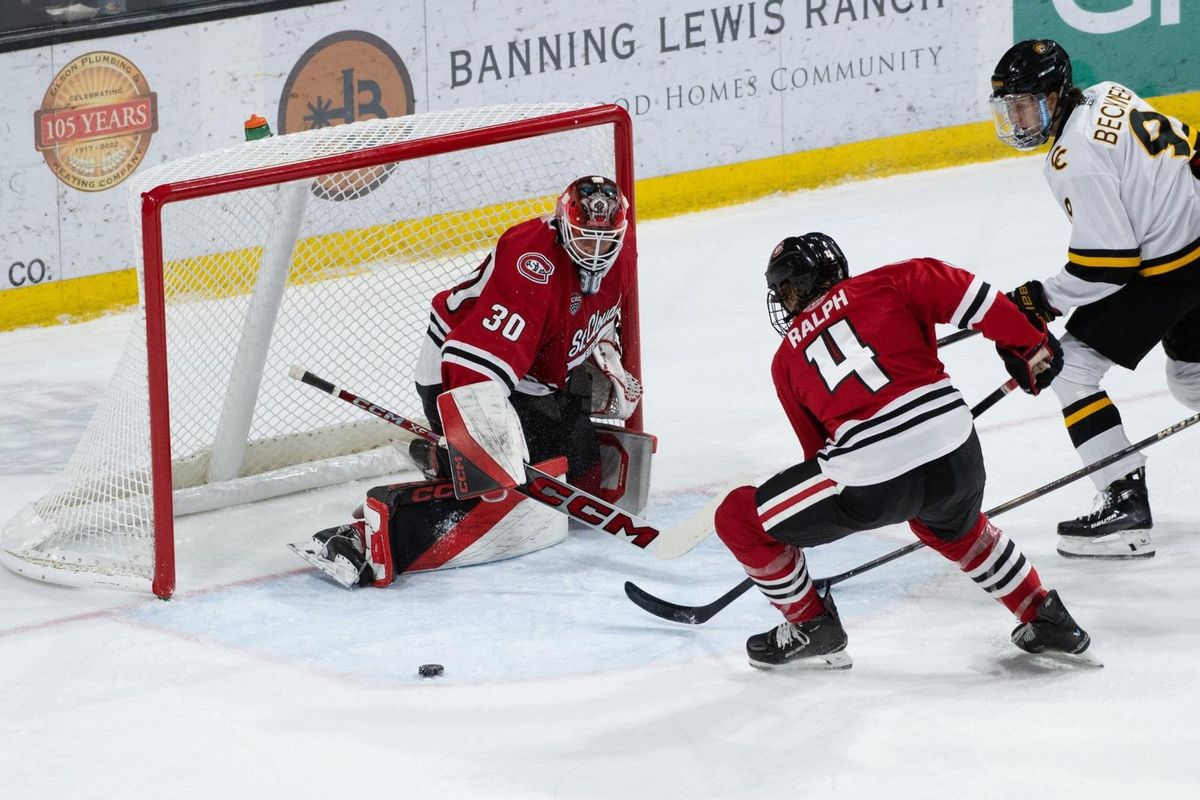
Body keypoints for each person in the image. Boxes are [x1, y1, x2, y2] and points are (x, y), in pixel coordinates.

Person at [712, 232, 1092, 670]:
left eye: (785, 289)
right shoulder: (894, 279)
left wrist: (791, 561)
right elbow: (976, 297)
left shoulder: (785, 360)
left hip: (872, 482)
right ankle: (1042, 612)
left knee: (738, 518)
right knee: (952, 524)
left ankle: (812, 624)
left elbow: (818, 454)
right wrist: (1029, 343)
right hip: (959, 455)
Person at [290, 176, 646, 588]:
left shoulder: (624, 249)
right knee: (497, 489)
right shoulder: (531, 263)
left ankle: (448, 462)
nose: (597, 253)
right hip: (457, 369)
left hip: (533, 378)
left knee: (579, 476)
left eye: (607, 241)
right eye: (585, 240)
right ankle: (365, 534)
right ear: (562, 227)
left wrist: (602, 353)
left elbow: (591, 307)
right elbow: (468, 361)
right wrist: (481, 440)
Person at [989, 39, 1200, 560]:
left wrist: (1039, 300)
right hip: (1193, 243)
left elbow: (1108, 265)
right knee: (1191, 377)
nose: (1017, 119)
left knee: (1071, 369)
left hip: (1171, 268)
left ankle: (1125, 503)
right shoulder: (1110, 92)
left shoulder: (1072, 157)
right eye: (1010, 108)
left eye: (1026, 105)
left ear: (1057, 95)